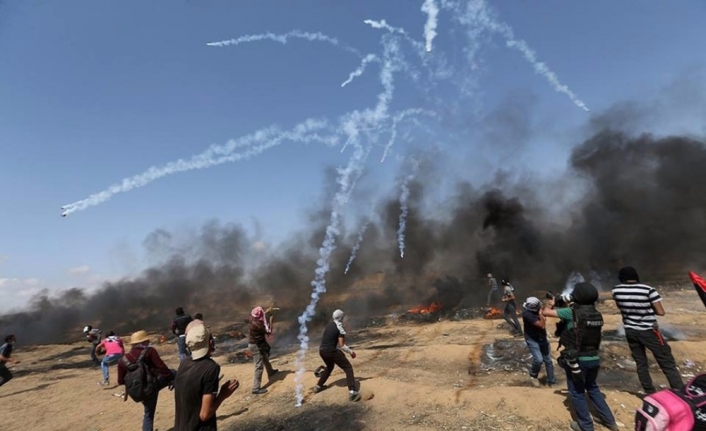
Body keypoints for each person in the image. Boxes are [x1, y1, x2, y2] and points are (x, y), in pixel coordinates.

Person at [542, 282, 618, 431]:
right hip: (594, 358)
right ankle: (610, 421)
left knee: (576, 392)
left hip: (577, 360)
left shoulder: (572, 313)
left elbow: (546, 312)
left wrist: (552, 303)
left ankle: (585, 425)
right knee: (593, 388)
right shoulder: (596, 313)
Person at [612, 266, 684, 394]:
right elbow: (661, 312)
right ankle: (680, 393)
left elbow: (620, 306)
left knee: (641, 363)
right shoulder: (648, 290)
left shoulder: (616, 290)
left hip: (630, 330)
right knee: (666, 362)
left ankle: (649, 392)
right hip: (649, 331)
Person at [174, 323, 239, 431]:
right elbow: (205, 414)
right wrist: (223, 394)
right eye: (211, 338)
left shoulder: (184, 363)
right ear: (210, 342)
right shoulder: (211, 368)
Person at [118, 330, 176, 431]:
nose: (148, 342)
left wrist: (137, 384)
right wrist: (171, 379)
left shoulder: (123, 360)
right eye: (147, 341)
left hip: (137, 392)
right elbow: (162, 368)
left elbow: (120, 381)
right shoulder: (150, 351)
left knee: (148, 414)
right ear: (143, 342)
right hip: (151, 387)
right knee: (175, 373)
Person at [313, 309, 360, 402]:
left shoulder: (329, 325)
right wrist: (351, 352)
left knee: (330, 367)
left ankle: (318, 386)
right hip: (330, 351)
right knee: (348, 368)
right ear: (341, 317)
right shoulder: (339, 327)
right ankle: (352, 392)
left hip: (322, 351)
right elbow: (342, 345)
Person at [522, 297, 556, 387]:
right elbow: (541, 325)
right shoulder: (527, 314)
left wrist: (551, 304)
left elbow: (549, 311)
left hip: (542, 338)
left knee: (548, 360)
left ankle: (551, 382)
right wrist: (541, 315)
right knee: (539, 360)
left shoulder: (538, 309)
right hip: (532, 339)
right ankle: (533, 375)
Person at [248, 306, 279, 395]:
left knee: (264, 357)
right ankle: (256, 388)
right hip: (256, 345)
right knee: (259, 366)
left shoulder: (253, 320)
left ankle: (270, 372)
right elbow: (269, 332)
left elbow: (260, 316)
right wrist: (271, 321)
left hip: (256, 344)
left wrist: (267, 312)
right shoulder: (258, 325)